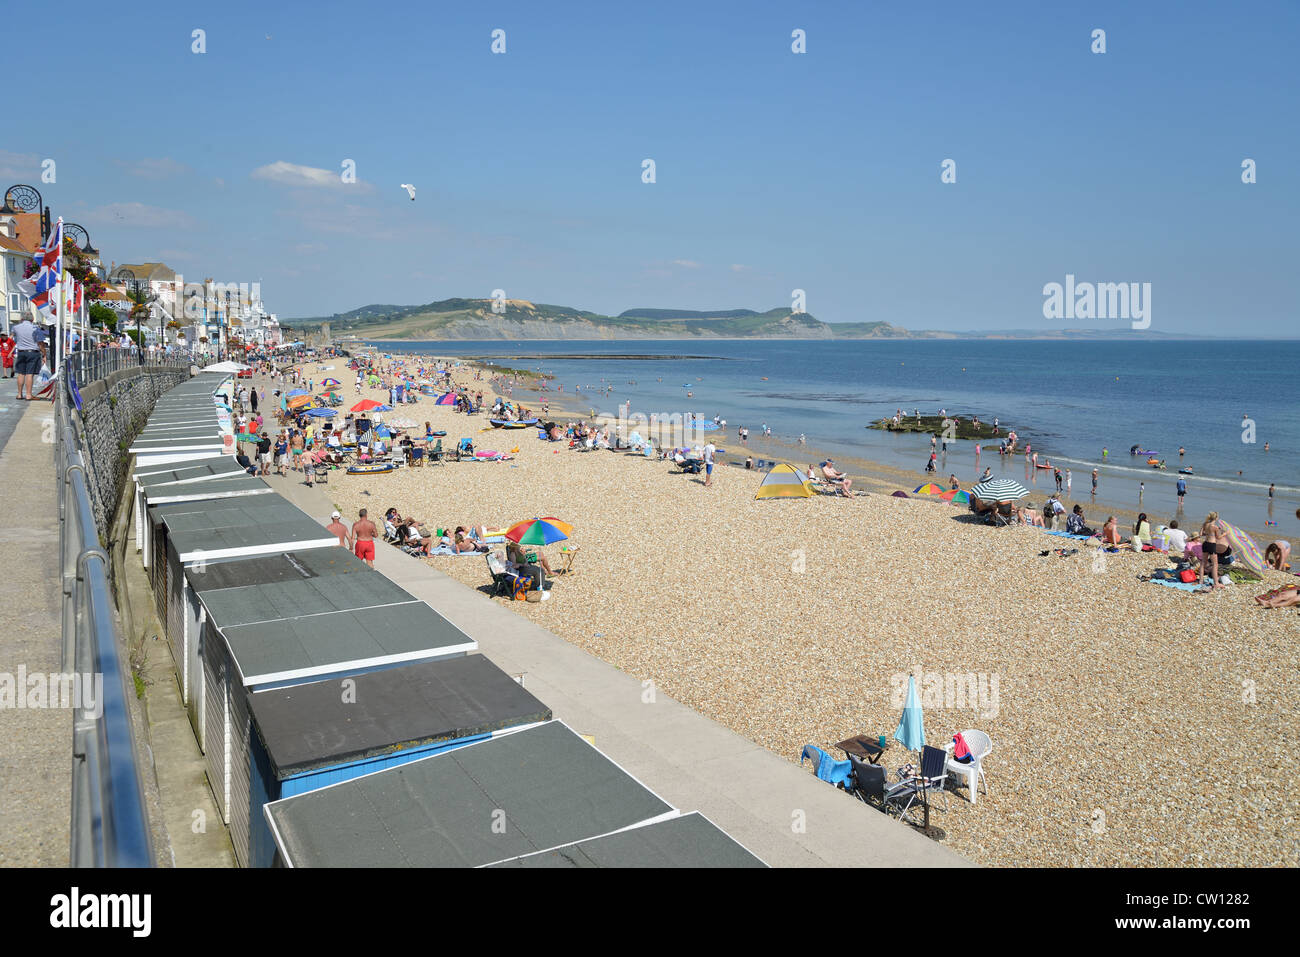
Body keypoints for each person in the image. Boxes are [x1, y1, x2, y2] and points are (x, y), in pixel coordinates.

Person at [11, 316, 43, 401]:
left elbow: (12, 336)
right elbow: (40, 342)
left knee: (21, 373)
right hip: (32, 352)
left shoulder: (15, 327)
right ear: (32, 319)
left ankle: (19, 394)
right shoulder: (35, 328)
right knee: (29, 374)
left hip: (21, 352)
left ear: (22, 319)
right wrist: (44, 353)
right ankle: (28, 395)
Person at [1195, 511, 1228, 589]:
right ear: (1216, 518)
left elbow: (1200, 534)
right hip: (1212, 545)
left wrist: (1209, 533)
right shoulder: (1215, 527)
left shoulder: (1205, 524)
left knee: (1203, 563)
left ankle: (1201, 581)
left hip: (1205, 544)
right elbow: (1218, 537)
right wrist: (1225, 533)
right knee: (1215, 564)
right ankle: (1216, 583)